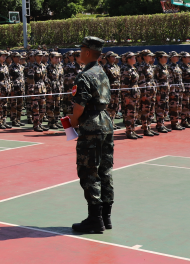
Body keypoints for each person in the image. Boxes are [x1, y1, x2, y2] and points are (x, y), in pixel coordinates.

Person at [70, 36, 113, 234]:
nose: (79, 53)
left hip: (91, 125)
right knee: (105, 170)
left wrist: (73, 121)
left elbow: (79, 105)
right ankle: (106, 217)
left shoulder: (84, 76)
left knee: (89, 171)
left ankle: (95, 219)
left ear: (87, 52)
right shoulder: (102, 72)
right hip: (105, 121)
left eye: (81, 50)